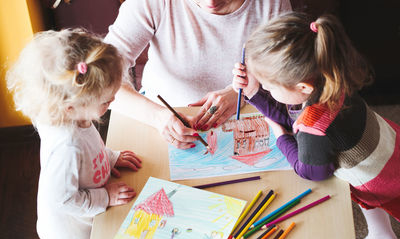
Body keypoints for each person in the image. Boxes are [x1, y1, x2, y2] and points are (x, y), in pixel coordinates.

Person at [232, 12, 399, 239]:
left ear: (303, 88)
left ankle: (381, 234)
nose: (266, 88)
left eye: (268, 86)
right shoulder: (330, 76)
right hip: (388, 146)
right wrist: (255, 92)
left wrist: (281, 138)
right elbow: (293, 113)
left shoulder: (314, 131)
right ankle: (380, 234)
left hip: (384, 180)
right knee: (369, 201)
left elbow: (312, 171)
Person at [6, 29, 142, 239]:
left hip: (87, 216)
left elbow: (91, 148)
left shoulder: (76, 115)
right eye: (106, 101)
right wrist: (105, 196)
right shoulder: (66, 147)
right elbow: (62, 199)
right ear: (71, 106)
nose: (112, 103)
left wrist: (110, 158)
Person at [104, 0, 291, 149]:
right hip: (159, 122)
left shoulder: (271, 3)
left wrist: (242, 92)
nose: (211, 2)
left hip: (251, 120)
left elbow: (290, 72)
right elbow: (99, 80)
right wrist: (159, 117)